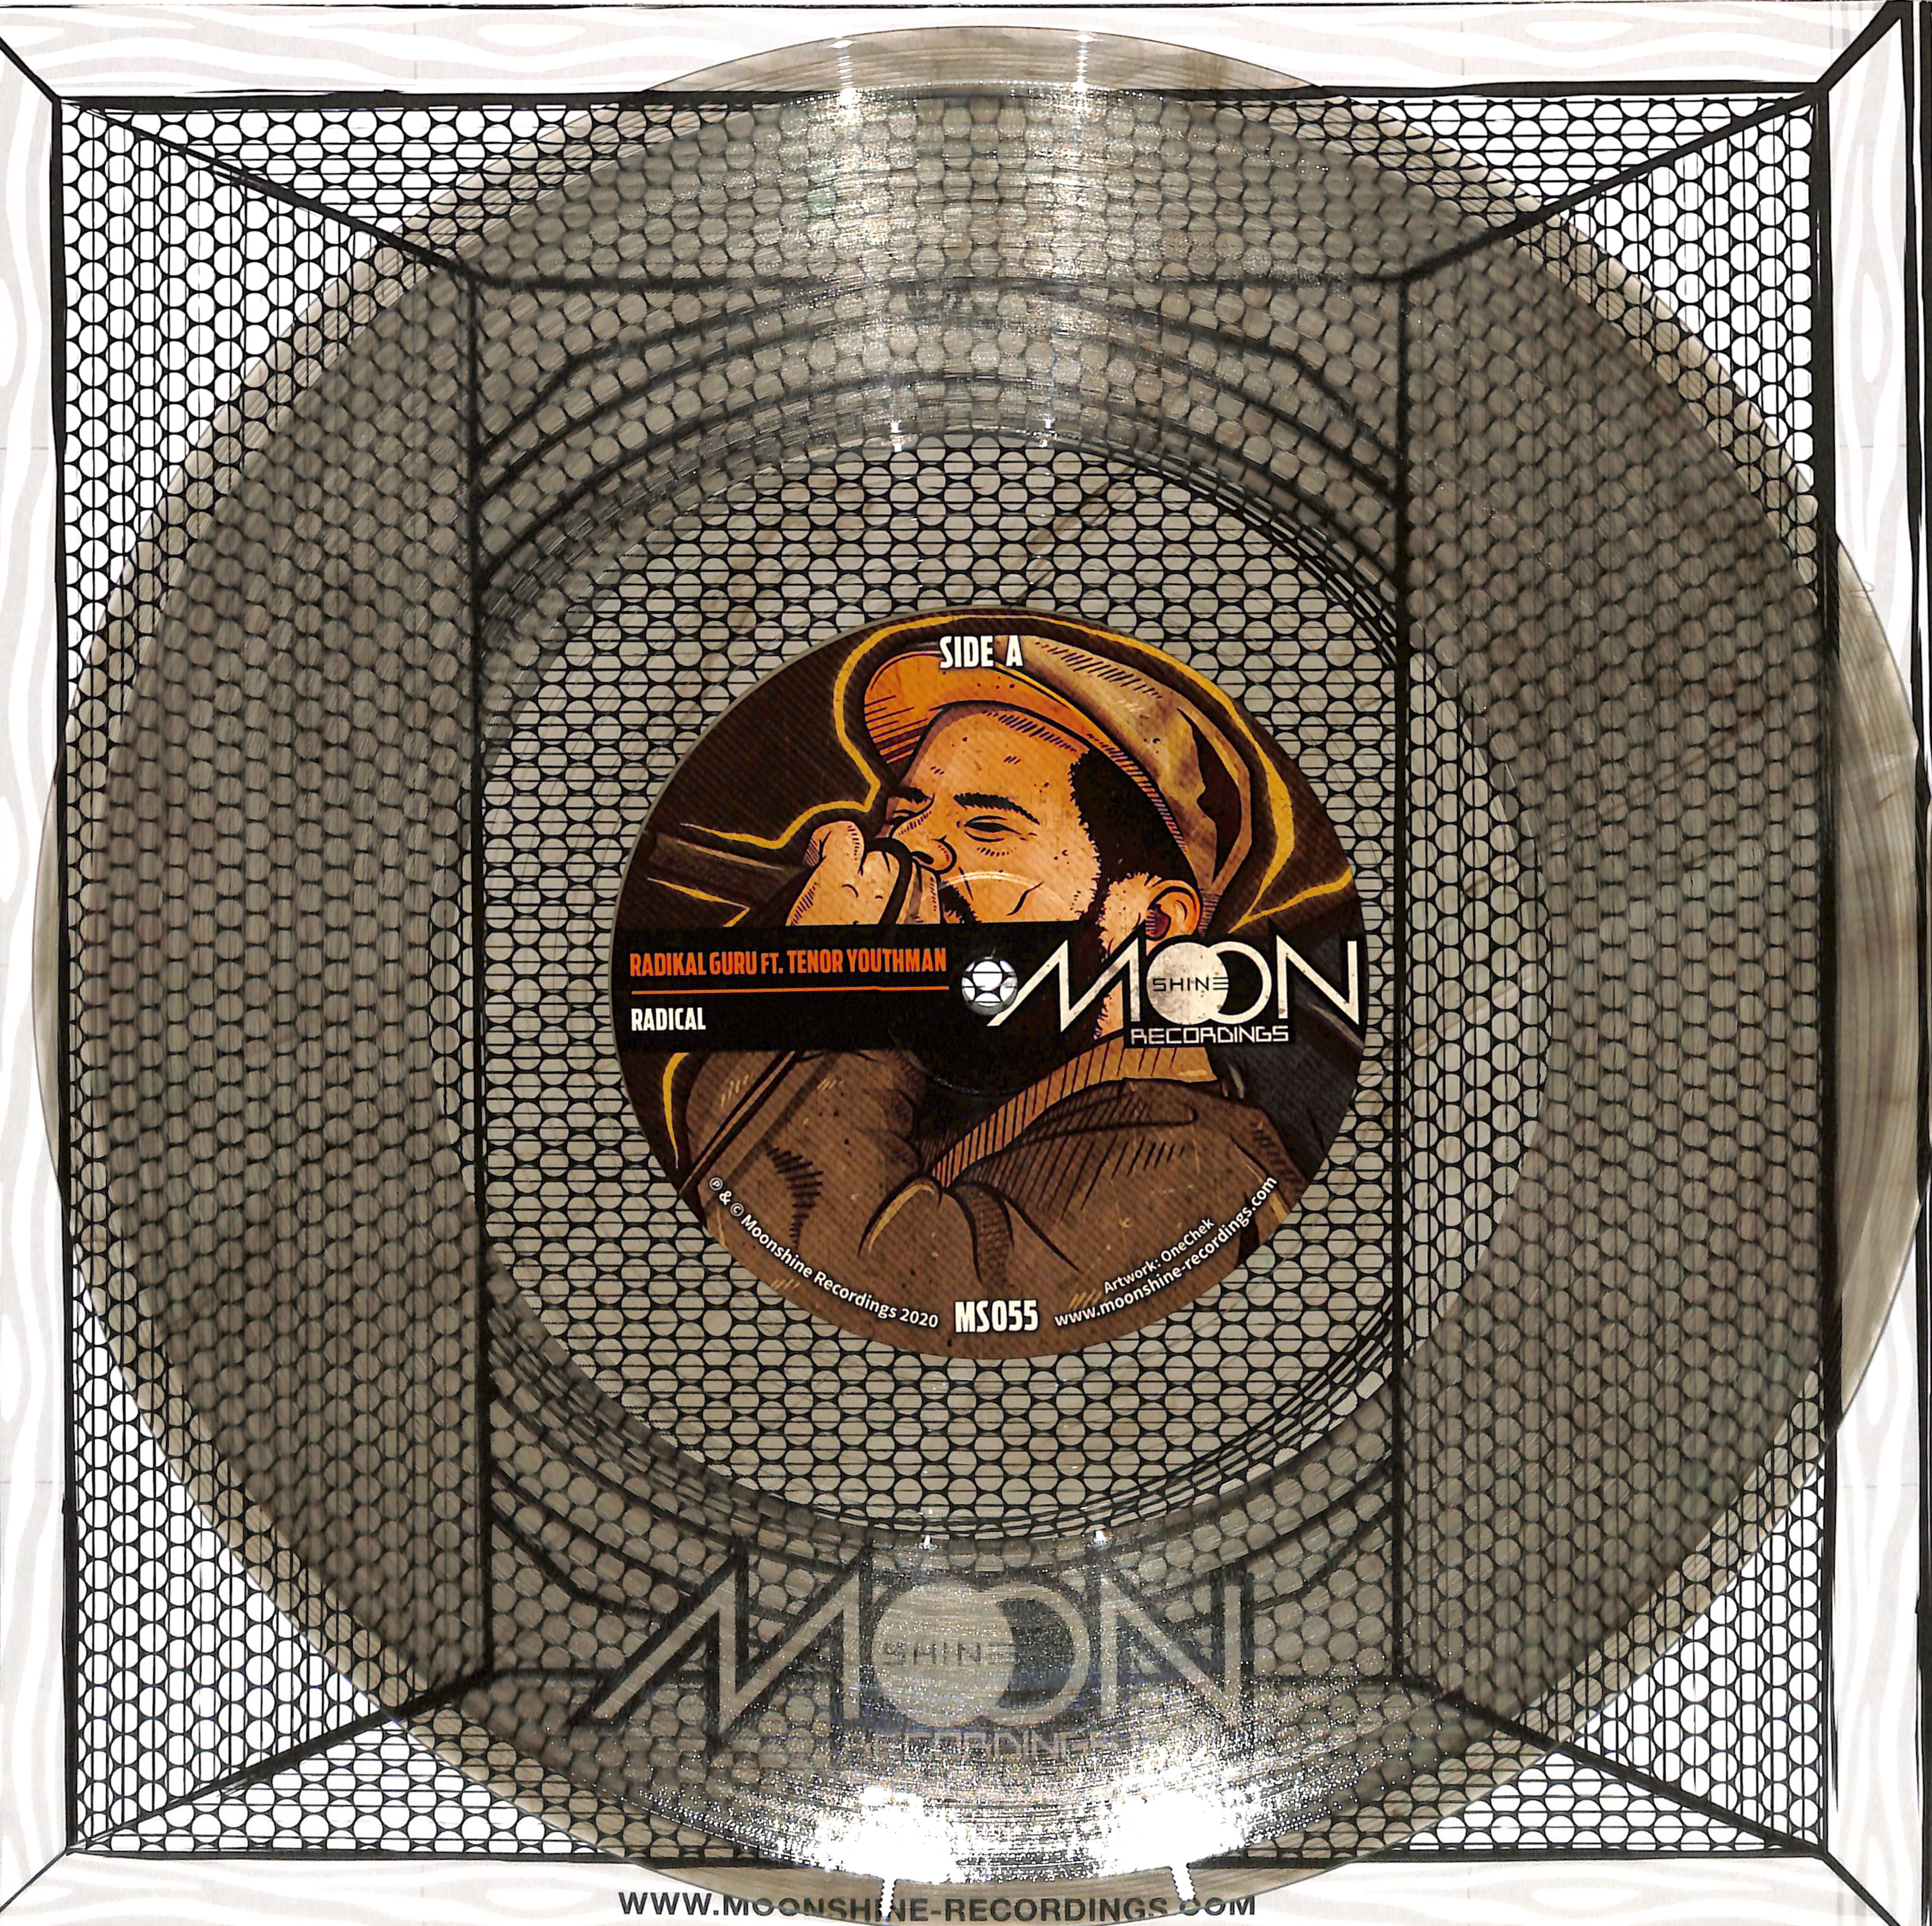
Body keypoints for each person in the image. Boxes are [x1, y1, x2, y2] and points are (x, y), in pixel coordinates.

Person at [681, 627, 1346, 1356]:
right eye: (903, 816)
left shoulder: (1197, 1167)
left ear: (1154, 923)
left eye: (988, 826)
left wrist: (836, 984)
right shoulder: (957, 1120)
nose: (909, 847)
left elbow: (874, 1289)